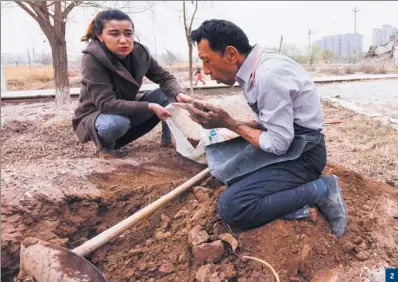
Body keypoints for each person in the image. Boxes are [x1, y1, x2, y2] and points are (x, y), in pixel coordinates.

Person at [185, 20, 348, 237]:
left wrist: (229, 123)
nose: (205, 71)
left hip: (304, 154)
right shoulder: (254, 68)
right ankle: (288, 200)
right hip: (292, 142)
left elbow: (279, 144)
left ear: (231, 54)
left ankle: (321, 190)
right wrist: (224, 122)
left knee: (233, 207)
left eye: (207, 61)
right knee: (224, 161)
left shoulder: (268, 75)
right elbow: (271, 121)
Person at [72, 9, 192, 158]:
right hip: (98, 113)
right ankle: (107, 148)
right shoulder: (92, 59)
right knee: (116, 124)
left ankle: (167, 140)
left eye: (128, 33)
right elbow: (106, 104)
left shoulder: (140, 53)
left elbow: (165, 78)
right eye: (114, 34)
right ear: (100, 36)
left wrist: (179, 94)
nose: (123, 40)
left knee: (168, 93)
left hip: (125, 107)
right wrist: (150, 106)